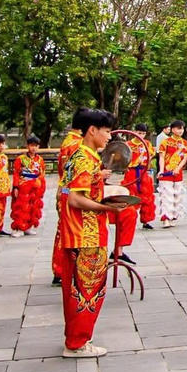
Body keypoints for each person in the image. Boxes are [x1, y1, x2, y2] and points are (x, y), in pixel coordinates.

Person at [57, 107, 124, 358]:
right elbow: (75, 198)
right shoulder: (84, 158)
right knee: (87, 289)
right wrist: (107, 208)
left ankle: (77, 336)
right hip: (86, 234)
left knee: (78, 288)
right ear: (92, 130)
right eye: (106, 131)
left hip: (81, 231)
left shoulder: (83, 156)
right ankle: (77, 343)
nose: (109, 137)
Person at [51, 114, 86, 286]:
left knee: (62, 232)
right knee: (72, 233)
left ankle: (59, 270)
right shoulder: (78, 144)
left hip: (64, 189)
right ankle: (66, 270)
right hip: (73, 192)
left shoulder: (67, 141)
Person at [10, 135, 46, 237]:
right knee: (22, 208)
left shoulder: (40, 160)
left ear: (38, 147)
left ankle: (28, 227)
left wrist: (42, 188)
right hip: (23, 187)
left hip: (35, 187)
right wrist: (16, 187)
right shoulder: (21, 159)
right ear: (27, 146)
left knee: (33, 208)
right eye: (31, 145)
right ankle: (19, 228)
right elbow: (16, 173)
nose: (33, 148)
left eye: (36, 146)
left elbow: (42, 174)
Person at [156, 120, 187, 227]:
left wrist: (179, 168)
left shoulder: (185, 143)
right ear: (172, 129)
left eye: (182, 128)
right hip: (166, 172)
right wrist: (161, 170)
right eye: (178, 128)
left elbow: (184, 158)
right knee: (166, 195)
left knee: (177, 195)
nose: (181, 131)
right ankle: (166, 218)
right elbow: (161, 157)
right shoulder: (165, 142)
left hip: (178, 173)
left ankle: (173, 216)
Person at [123, 124, 157, 230]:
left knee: (147, 195)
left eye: (143, 133)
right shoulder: (128, 144)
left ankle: (146, 220)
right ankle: (129, 218)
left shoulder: (147, 144)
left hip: (143, 172)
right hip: (131, 172)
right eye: (139, 133)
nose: (140, 135)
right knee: (131, 194)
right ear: (134, 132)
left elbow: (151, 156)